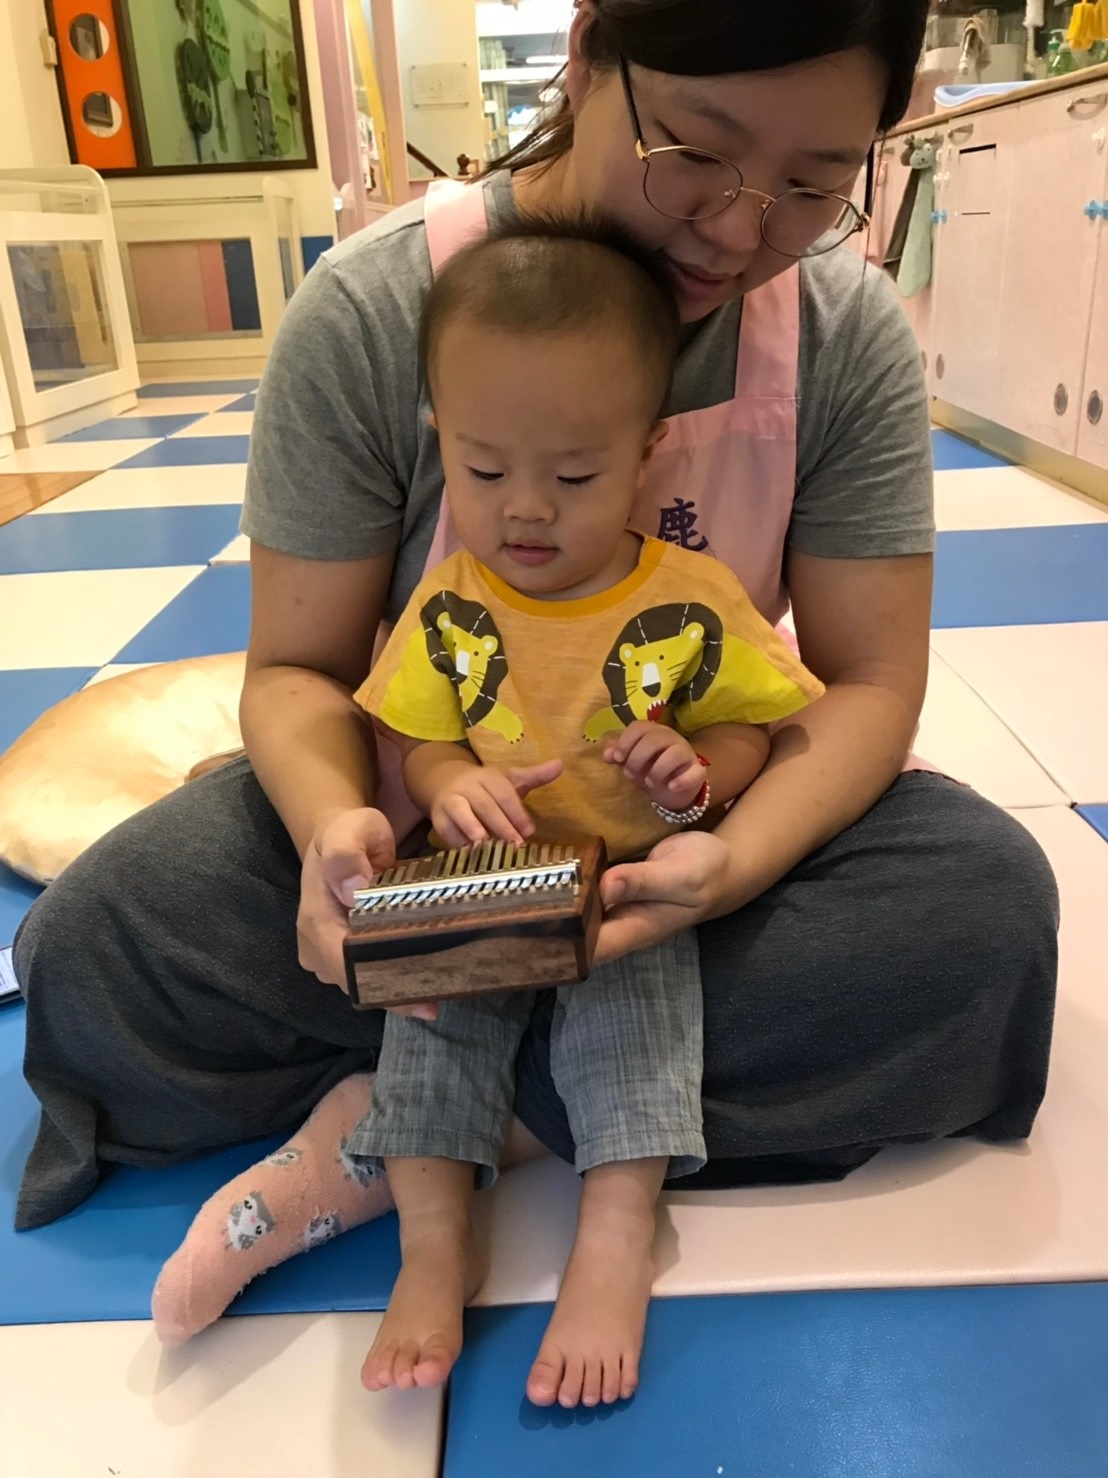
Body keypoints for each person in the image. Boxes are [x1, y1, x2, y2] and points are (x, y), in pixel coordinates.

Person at [14, 0, 1058, 1409]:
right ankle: (570, 1097)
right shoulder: (376, 308)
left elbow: (866, 684)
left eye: (816, 184)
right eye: (697, 149)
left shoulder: (839, 331)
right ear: (587, 59)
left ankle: (416, 1126)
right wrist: (335, 836)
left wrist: (730, 857)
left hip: (665, 859)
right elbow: (301, 673)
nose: (740, 227)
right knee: (93, 950)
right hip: (427, 838)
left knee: (983, 914)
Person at [350, 219, 825, 1402]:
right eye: (482, 471)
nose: (525, 510)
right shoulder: (450, 599)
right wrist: (444, 781)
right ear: (440, 438)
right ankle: (432, 1243)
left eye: (572, 478)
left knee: (638, 1024)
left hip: (626, 883)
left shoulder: (690, 595)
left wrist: (696, 772)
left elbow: (754, 726)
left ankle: (614, 1239)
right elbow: (417, 734)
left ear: (646, 449)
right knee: (427, 1025)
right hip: (478, 878)